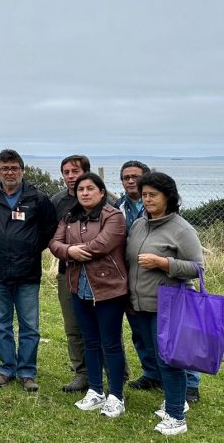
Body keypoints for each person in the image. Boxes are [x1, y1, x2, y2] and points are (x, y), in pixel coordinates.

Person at [125, 172, 204, 436]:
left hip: (169, 305)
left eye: (153, 195)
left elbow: (197, 268)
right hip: (140, 304)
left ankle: (176, 417)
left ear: (168, 197)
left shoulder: (181, 229)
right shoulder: (139, 224)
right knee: (156, 357)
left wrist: (164, 263)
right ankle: (176, 400)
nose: (147, 199)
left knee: (169, 360)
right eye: (144, 194)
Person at [0, 149, 56, 392]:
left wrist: (29, 247)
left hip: (28, 272)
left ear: (23, 170)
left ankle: (27, 372)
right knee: (1, 323)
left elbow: (49, 230)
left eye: (14, 168)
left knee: (30, 326)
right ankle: (6, 368)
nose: (9, 172)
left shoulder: (38, 198)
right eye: (4, 168)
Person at [49, 173, 128, 418]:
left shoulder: (113, 216)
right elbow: (54, 244)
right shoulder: (69, 217)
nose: (85, 193)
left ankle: (116, 395)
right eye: (81, 189)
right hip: (78, 287)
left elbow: (103, 245)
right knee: (90, 341)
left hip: (109, 288)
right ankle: (95, 390)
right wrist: (68, 249)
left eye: (90, 188)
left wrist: (71, 251)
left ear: (102, 192)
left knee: (111, 342)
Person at [49, 154, 91, 393]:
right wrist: (68, 251)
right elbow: (51, 236)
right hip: (68, 273)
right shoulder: (57, 202)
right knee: (73, 326)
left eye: (75, 171)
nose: (70, 176)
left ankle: (115, 369)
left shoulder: (106, 202)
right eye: (66, 172)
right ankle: (81, 372)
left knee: (103, 326)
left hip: (101, 276)